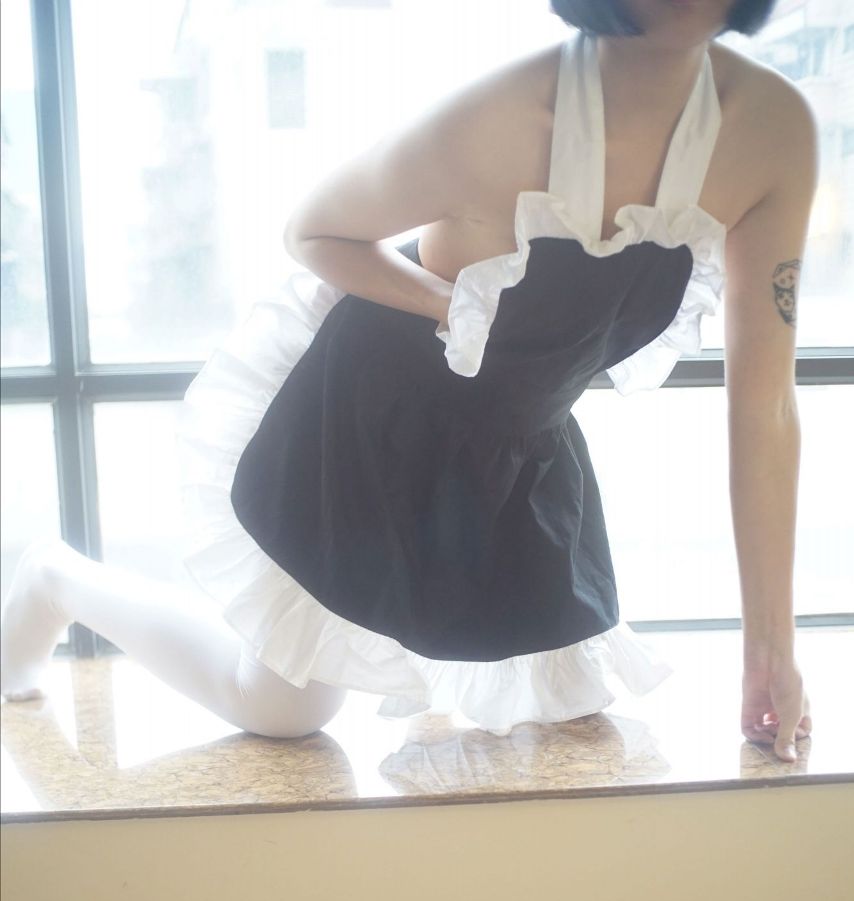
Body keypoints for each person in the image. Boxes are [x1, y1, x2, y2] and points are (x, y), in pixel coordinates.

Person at [1, 0, 813, 761]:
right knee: (283, 711)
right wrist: (449, 304)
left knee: (568, 713)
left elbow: (766, 405)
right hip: (374, 409)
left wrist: (770, 651)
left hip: (518, 438)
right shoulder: (500, 117)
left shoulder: (772, 133)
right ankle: (54, 579)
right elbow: (314, 228)